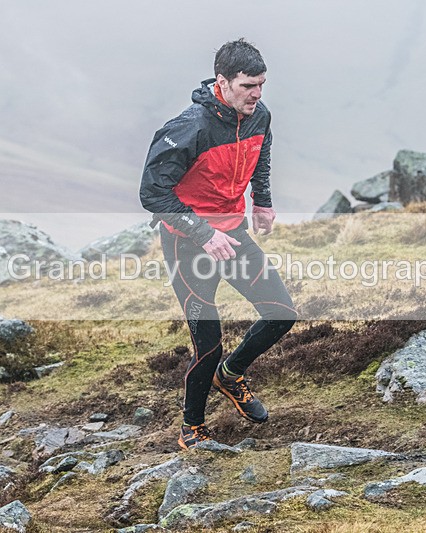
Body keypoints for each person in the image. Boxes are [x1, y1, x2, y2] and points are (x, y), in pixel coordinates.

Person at [139, 38, 297, 450]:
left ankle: (231, 374)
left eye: (262, 84)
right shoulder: (189, 127)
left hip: (233, 233)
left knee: (282, 314)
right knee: (207, 345)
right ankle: (192, 428)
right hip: (187, 245)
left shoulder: (258, 115)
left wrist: (261, 201)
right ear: (222, 82)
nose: (257, 94)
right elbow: (152, 193)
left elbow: (261, 154)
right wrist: (203, 234)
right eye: (248, 85)